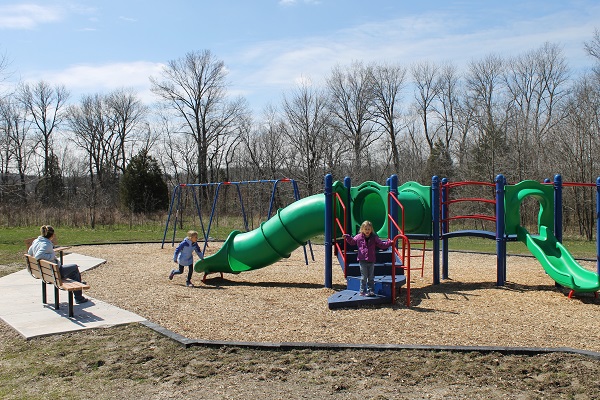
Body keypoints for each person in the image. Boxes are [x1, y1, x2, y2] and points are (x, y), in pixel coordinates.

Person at [27, 225, 88, 304]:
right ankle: (79, 298)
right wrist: (52, 256)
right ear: (52, 235)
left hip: (44, 272)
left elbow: (29, 253)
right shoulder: (46, 244)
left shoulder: (36, 241)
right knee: (74, 268)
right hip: (54, 273)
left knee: (72, 271)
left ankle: (79, 283)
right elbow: (38, 256)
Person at [343, 220, 393, 297]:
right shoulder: (359, 237)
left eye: (369, 229)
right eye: (365, 229)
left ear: (371, 230)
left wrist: (389, 243)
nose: (367, 231)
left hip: (371, 259)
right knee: (364, 276)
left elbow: (381, 245)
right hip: (362, 259)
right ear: (362, 229)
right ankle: (362, 290)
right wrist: (347, 237)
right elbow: (352, 242)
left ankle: (371, 290)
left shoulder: (374, 237)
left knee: (371, 277)